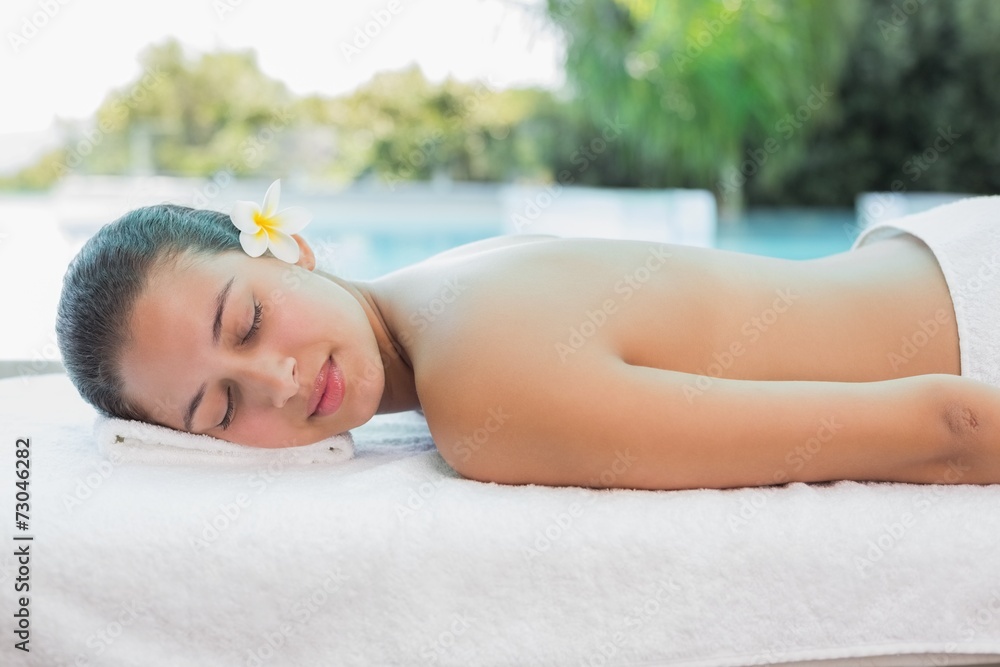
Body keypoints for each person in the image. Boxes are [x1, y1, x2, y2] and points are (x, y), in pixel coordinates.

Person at [56, 182, 1000, 491]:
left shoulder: (481, 395)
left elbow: (948, 427)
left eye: (248, 321)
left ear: (288, 249)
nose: (278, 379)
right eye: (222, 409)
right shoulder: (454, 276)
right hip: (937, 251)